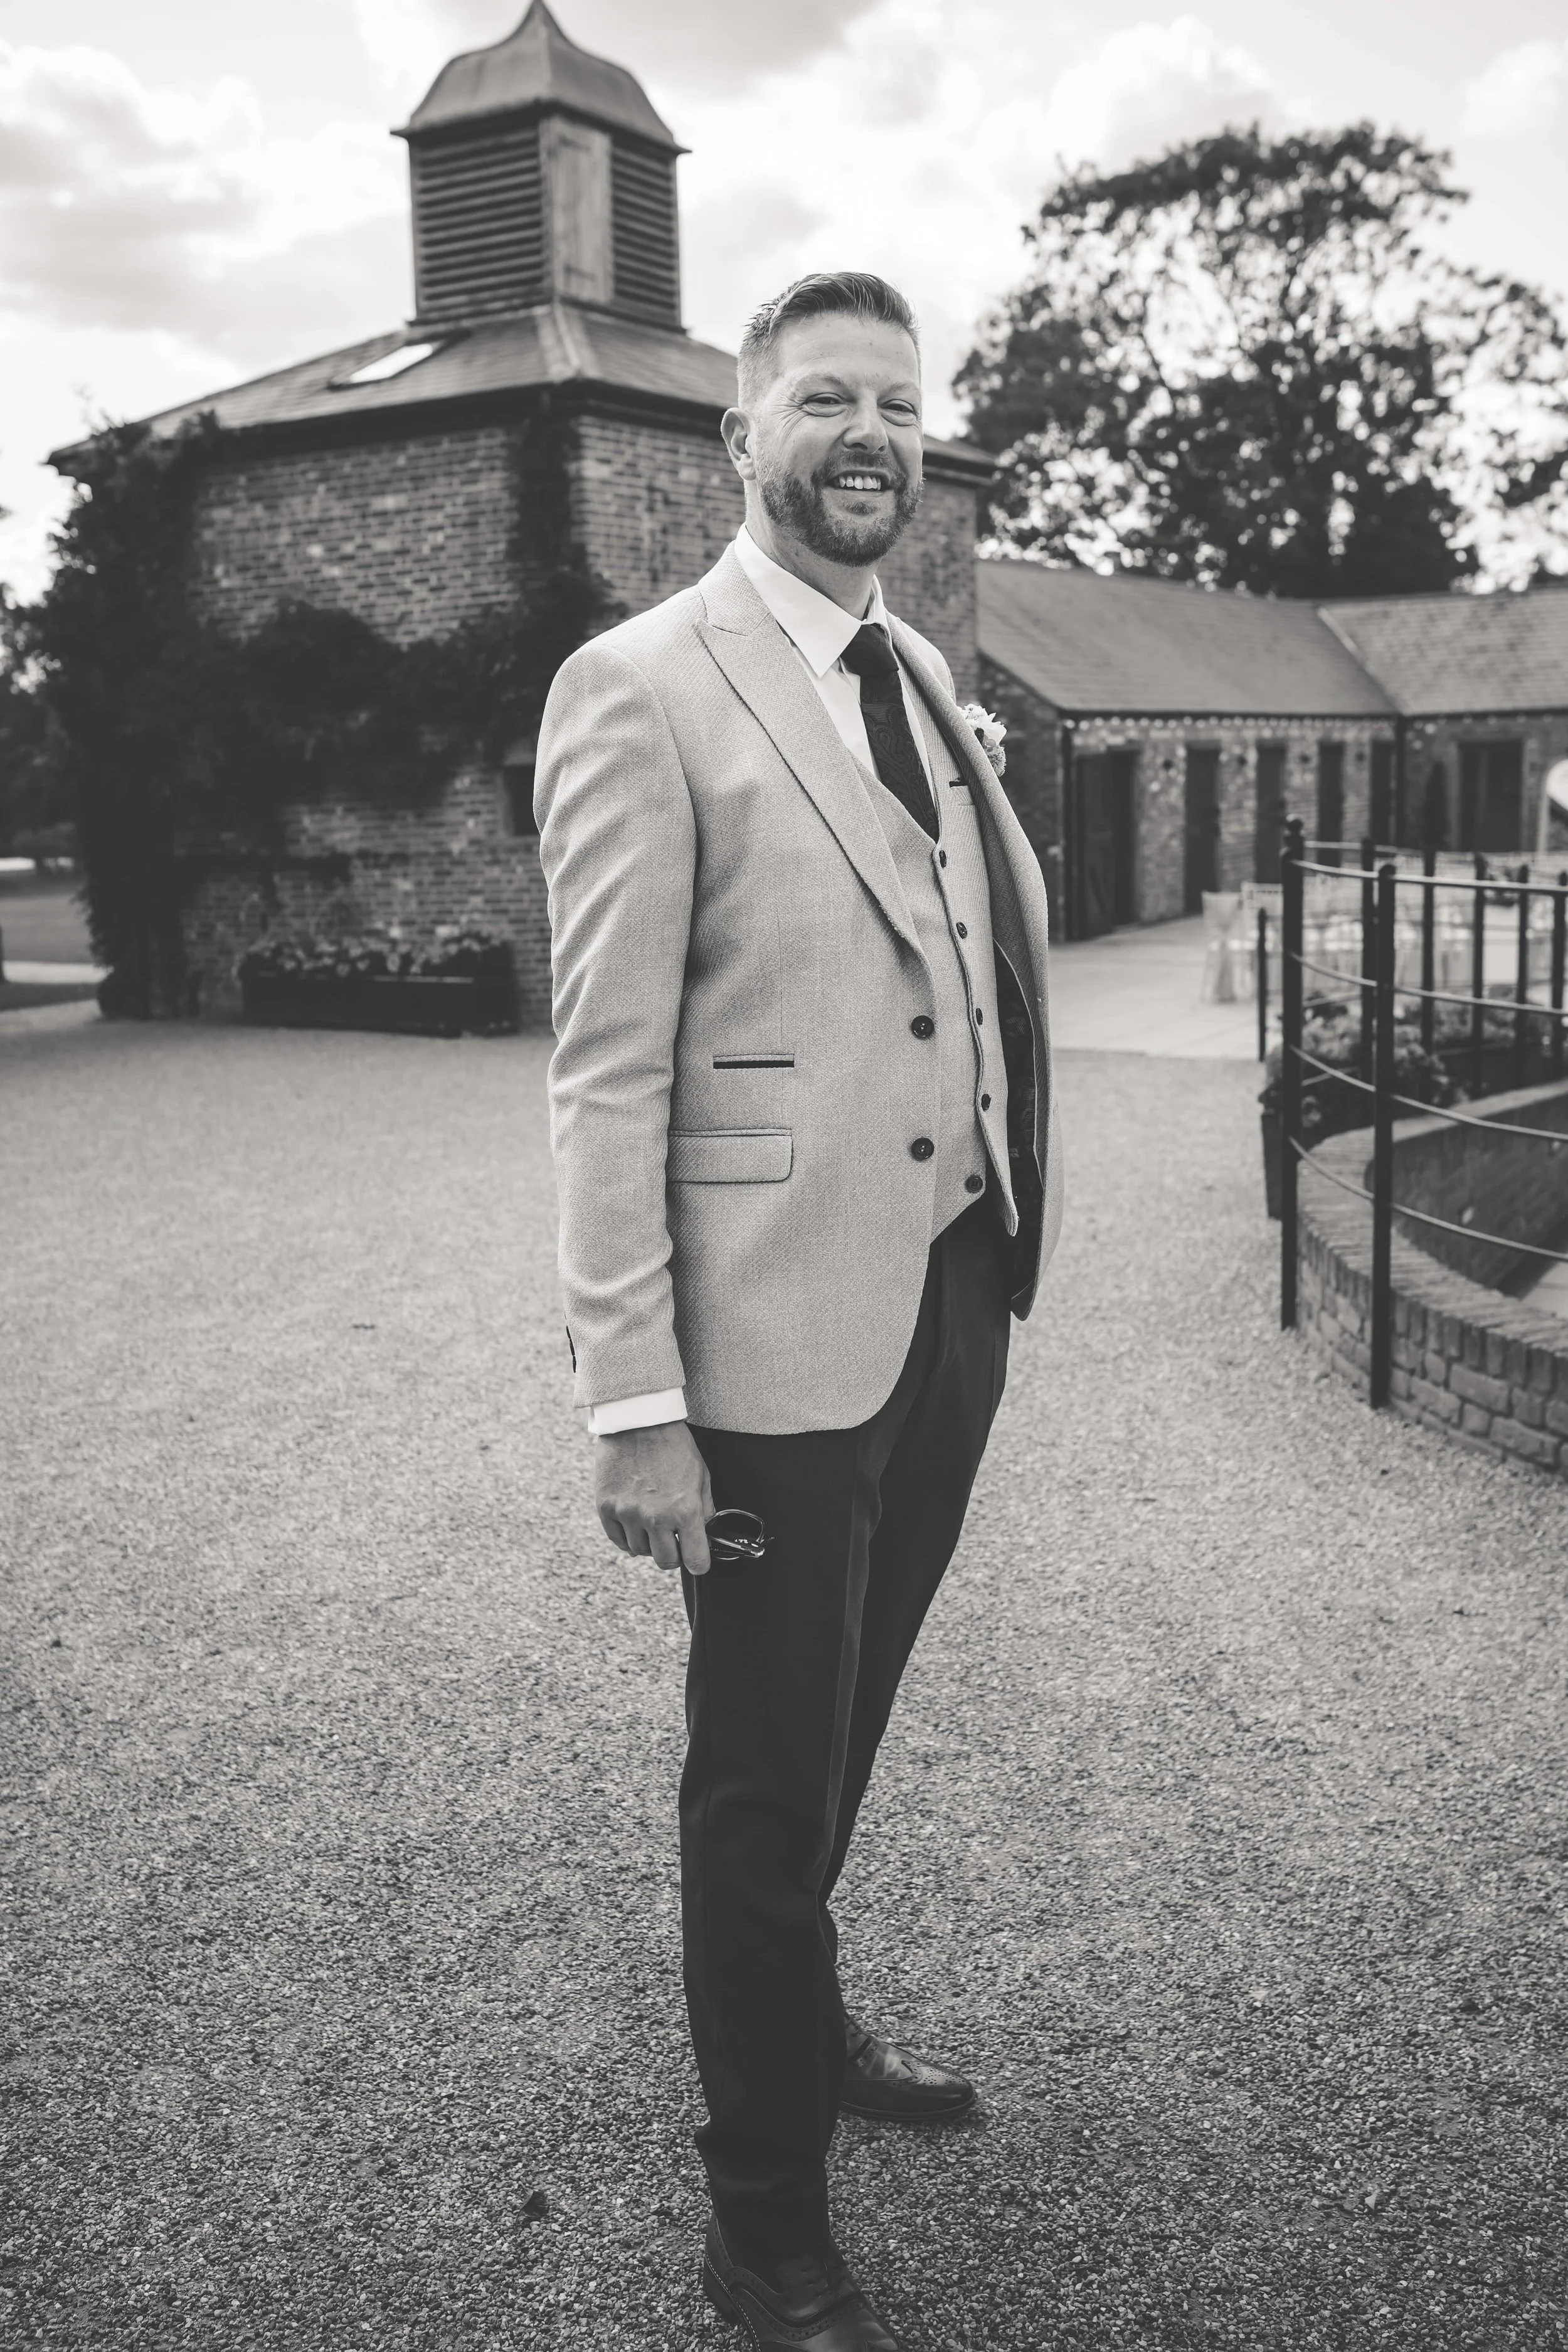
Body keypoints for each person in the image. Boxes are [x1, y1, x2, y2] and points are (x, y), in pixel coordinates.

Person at [535, 270, 1062, 2352]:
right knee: (759, 1775)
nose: (869, 430)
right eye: (824, 397)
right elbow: (605, 1069)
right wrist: (630, 1398)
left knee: (840, 1721)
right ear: (733, 439)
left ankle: (802, 2020)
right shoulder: (639, 685)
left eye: (897, 402)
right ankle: (761, 2220)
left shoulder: (916, 664)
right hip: (764, 1339)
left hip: (945, 1292)